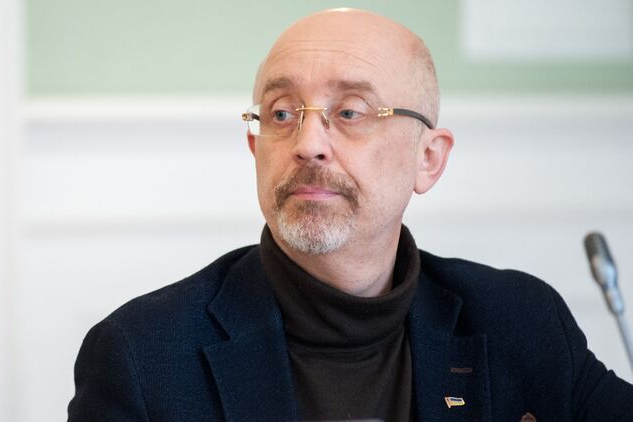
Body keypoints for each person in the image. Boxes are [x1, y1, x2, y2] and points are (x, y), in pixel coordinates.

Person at [68, 8, 633, 421]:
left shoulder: (522, 322)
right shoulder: (141, 356)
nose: (308, 143)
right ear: (255, 148)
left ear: (428, 159)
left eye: (350, 112)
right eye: (281, 113)